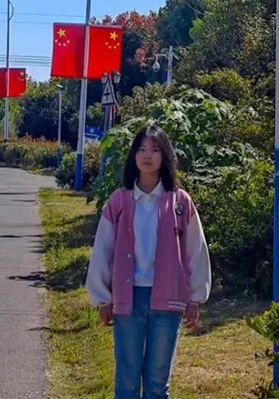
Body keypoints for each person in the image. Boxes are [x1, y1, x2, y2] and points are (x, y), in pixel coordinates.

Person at [86, 124, 211, 399]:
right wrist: (103, 298)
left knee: (157, 383)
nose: (147, 155)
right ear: (134, 155)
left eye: (154, 150)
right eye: (141, 149)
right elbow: (103, 249)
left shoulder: (180, 202)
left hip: (168, 300)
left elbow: (196, 249)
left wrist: (195, 297)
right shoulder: (119, 201)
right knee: (127, 382)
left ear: (165, 156)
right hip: (128, 300)